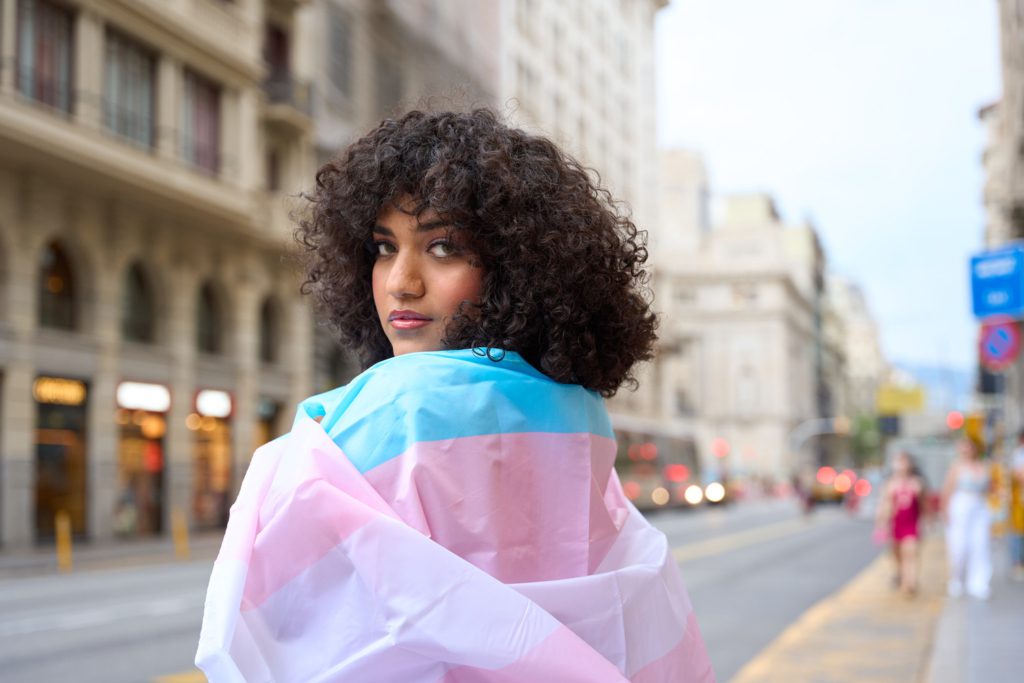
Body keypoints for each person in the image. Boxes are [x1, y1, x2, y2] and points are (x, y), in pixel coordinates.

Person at [195, 109, 714, 682]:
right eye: (383, 247)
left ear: (516, 268)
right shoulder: (581, 417)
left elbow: (290, 637)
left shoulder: (395, 408)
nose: (400, 281)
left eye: (442, 248)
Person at [942, 439, 994, 599]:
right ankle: (956, 579)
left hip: (979, 506)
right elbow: (947, 489)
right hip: (961, 506)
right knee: (959, 545)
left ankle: (978, 582)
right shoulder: (956, 467)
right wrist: (945, 511)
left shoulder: (984, 466)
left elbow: (991, 488)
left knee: (980, 544)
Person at [875, 452, 925, 595]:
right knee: (897, 554)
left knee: (910, 552)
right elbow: (884, 506)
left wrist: (927, 520)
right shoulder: (890, 484)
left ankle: (910, 582)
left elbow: (923, 505)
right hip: (896, 525)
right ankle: (901, 573)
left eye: (904, 461)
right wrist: (881, 524)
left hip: (912, 524)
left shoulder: (917, 484)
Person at [1010, 431, 1024, 580]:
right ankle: (1017, 563)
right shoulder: (1019, 454)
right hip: (1020, 500)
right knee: (1018, 532)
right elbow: (1019, 475)